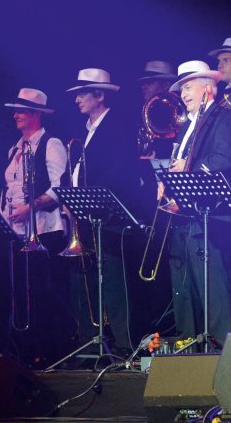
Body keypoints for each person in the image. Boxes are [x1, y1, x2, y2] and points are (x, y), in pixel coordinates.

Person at [162, 61, 231, 346]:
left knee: (213, 284)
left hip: (211, 214)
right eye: (182, 89)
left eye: (188, 88)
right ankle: (188, 343)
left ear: (207, 88)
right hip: (185, 214)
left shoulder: (224, 117)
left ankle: (220, 346)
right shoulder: (188, 125)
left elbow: (227, 157)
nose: (183, 95)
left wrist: (189, 166)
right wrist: (167, 181)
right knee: (184, 283)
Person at [66, 68, 137, 354]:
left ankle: (125, 345)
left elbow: (120, 169)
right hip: (86, 215)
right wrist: (69, 195)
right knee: (89, 282)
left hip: (108, 216)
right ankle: (92, 344)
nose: (77, 100)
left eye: (82, 94)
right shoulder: (83, 131)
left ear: (99, 95)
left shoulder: (118, 126)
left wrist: (88, 195)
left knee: (114, 281)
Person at [1, 88, 72, 366]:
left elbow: (59, 187)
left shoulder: (50, 144)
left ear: (35, 114)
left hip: (45, 229)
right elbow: (9, 189)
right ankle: (28, 350)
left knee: (46, 292)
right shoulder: (14, 149)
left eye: (21, 110)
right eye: (15, 111)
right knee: (24, 293)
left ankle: (53, 351)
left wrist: (30, 207)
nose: (15, 115)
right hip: (18, 230)